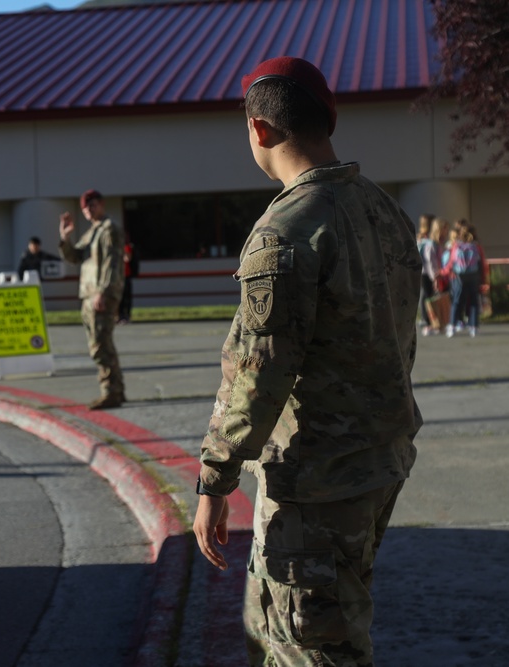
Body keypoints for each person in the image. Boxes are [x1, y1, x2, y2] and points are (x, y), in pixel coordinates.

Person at [192, 56, 422, 666]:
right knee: (292, 631)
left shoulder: (286, 230)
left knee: (310, 650)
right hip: (376, 462)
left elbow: (258, 372)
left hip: (315, 480)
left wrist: (215, 477)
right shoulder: (385, 213)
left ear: (260, 131)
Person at [58, 189, 126, 410]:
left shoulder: (109, 229)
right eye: (85, 208)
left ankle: (110, 392)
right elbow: (75, 257)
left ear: (101, 204)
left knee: (99, 345)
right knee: (101, 343)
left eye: (92, 205)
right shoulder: (92, 231)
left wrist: (103, 292)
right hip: (89, 294)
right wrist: (65, 238)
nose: (88, 210)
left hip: (100, 294)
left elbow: (112, 263)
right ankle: (115, 390)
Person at [442, 227, 483, 338]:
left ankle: (452, 326)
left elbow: (451, 262)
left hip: (459, 275)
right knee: (474, 301)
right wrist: (482, 278)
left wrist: (444, 272)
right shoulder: (475, 246)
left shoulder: (456, 246)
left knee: (457, 300)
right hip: (474, 275)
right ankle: (474, 327)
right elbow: (481, 262)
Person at [118, 236, 139, 324]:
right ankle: (120, 316)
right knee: (120, 298)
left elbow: (127, 258)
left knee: (126, 297)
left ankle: (125, 315)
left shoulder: (127, 247)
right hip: (119, 276)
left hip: (126, 276)